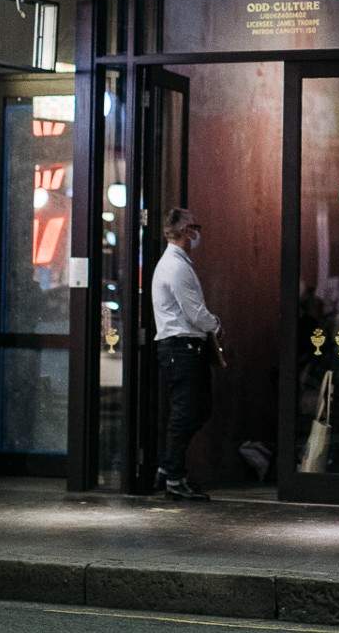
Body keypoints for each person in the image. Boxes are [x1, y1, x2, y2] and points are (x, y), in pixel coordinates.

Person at [150, 209, 222, 500]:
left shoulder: (176, 263)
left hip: (183, 348)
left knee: (196, 409)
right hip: (182, 348)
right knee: (186, 412)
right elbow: (193, 312)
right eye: (194, 227)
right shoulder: (176, 267)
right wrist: (217, 324)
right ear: (182, 232)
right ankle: (174, 478)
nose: (197, 233)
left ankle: (168, 469)